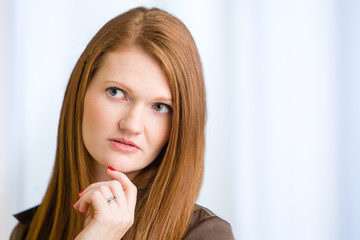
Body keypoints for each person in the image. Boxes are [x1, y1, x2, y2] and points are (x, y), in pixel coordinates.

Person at [10, 7, 234, 240]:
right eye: (116, 92)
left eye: (160, 107)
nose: (132, 125)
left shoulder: (205, 234)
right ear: (80, 92)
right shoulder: (30, 231)